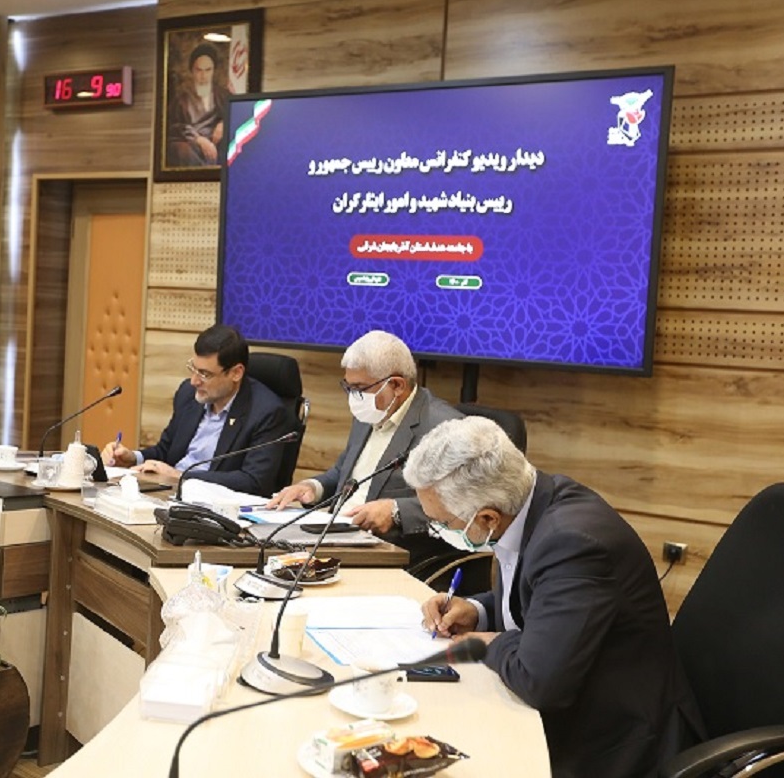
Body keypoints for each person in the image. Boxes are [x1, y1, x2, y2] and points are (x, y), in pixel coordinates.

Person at [410, 416, 704, 778]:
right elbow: (541, 599)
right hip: (576, 702)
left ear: (487, 518)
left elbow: (540, 682)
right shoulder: (531, 499)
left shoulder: (573, 543)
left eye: (443, 523)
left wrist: (490, 643)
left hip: (617, 742)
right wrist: (476, 609)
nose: (438, 530)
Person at [266, 330, 464, 565]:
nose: (353, 397)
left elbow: (459, 506)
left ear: (396, 385)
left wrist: (396, 511)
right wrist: (311, 487)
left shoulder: (445, 428)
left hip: (394, 552)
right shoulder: (370, 412)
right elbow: (344, 473)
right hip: (334, 536)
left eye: (360, 388)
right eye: (348, 387)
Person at [100, 324, 290, 496]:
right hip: (168, 493)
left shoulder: (267, 412)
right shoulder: (188, 394)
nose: (194, 381)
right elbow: (166, 450)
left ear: (236, 373)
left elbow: (254, 481)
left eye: (205, 374)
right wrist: (133, 458)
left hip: (213, 505)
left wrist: (180, 475)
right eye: (193, 368)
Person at [165, 42, 231, 167]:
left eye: (208, 70)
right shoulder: (181, 99)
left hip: (216, 144)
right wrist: (199, 139)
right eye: (199, 70)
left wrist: (224, 123)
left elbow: (237, 116)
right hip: (191, 144)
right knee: (182, 151)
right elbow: (174, 127)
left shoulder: (223, 95)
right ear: (192, 71)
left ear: (213, 71)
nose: (203, 76)